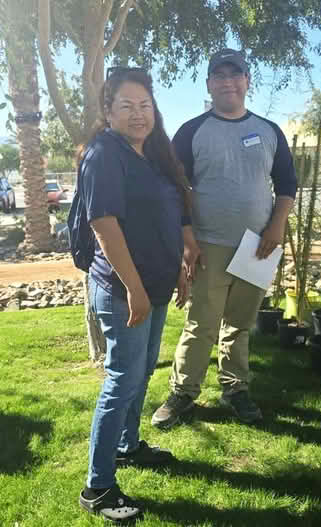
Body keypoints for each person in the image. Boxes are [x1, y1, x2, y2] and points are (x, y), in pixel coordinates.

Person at [151, 49, 296, 430]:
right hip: (209, 244)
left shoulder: (269, 130)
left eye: (236, 74)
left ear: (247, 81)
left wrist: (276, 226)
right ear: (209, 84)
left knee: (240, 323)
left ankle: (235, 389)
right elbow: (174, 186)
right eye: (220, 75)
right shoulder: (192, 131)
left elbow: (287, 185)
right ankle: (183, 392)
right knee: (202, 324)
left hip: (260, 245)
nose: (228, 81)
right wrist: (186, 235)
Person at [77, 67, 191, 523]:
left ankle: (128, 446)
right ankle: (98, 487)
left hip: (155, 286)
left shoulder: (151, 154)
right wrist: (135, 290)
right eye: (126, 105)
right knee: (122, 380)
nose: (138, 114)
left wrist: (180, 267)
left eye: (145, 105)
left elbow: (169, 213)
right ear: (108, 111)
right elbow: (104, 225)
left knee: (141, 374)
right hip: (126, 289)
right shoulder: (105, 153)